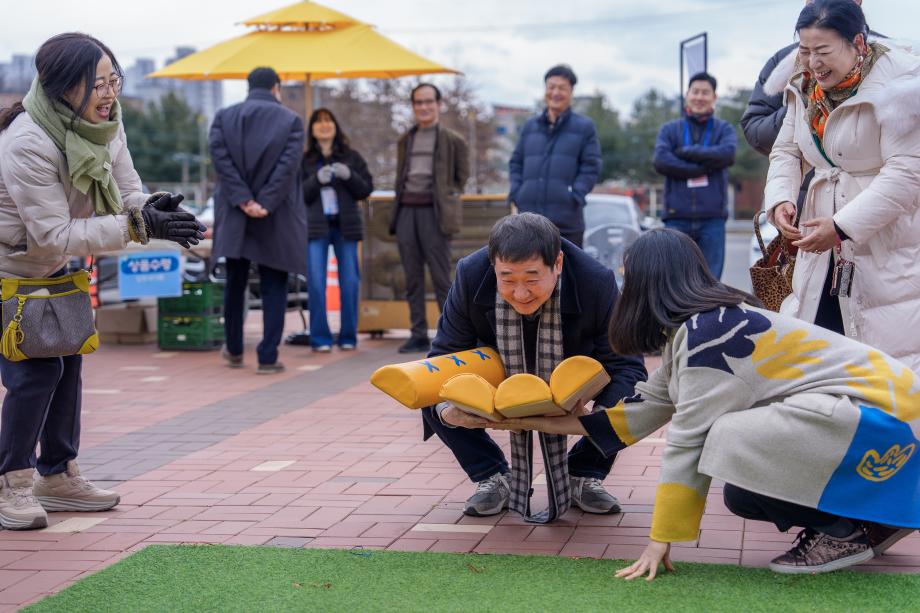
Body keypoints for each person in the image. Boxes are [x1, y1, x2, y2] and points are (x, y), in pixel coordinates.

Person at [499, 228, 918, 577]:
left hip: (887, 422)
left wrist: (659, 540)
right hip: (883, 422)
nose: (625, 289)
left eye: (630, 280)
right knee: (740, 490)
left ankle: (841, 532)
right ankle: (874, 523)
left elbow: (687, 439)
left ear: (648, 283)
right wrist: (524, 420)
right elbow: (636, 416)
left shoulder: (709, 335)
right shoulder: (705, 326)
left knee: (724, 439)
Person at [0, 33, 204, 530]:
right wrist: (138, 227)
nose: (109, 93)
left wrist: (152, 210)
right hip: (12, 269)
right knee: (35, 373)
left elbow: (127, 191)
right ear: (64, 87)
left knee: (67, 364)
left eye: (114, 80)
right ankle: (12, 482)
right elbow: (53, 231)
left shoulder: (106, 125)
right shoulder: (28, 141)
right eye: (98, 83)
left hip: (57, 267)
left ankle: (58, 476)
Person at [422, 213, 647, 518]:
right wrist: (451, 413)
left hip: (573, 371)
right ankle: (492, 474)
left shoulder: (596, 281)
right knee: (429, 388)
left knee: (629, 395)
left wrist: (596, 417)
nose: (521, 293)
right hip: (498, 366)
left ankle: (583, 471)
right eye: (507, 279)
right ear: (493, 265)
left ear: (558, 263)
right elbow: (443, 358)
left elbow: (627, 367)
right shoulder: (470, 274)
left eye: (532, 278)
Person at [763, 0, 920, 371]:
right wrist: (781, 199)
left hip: (885, 244)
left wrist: (842, 226)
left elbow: (907, 173)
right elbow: (786, 149)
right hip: (821, 245)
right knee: (819, 354)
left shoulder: (902, 82)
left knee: (888, 362)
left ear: (858, 43)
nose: (813, 63)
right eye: (804, 51)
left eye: (823, 52)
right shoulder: (803, 85)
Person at [209, 67, 306, 374]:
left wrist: (243, 199)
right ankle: (267, 357)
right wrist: (264, 202)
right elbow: (287, 167)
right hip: (275, 214)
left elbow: (221, 162)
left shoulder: (224, 117)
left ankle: (235, 350)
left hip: (236, 213)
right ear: (276, 87)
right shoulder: (291, 121)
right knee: (274, 284)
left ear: (248, 86)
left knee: (234, 283)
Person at [389, 83, 469, 354]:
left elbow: (462, 178)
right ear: (413, 107)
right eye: (418, 102)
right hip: (406, 213)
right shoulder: (405, 140)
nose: (423, 107)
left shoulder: (453, 139)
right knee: (411, 278)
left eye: (428, 102)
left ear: (438, 104)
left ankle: (451, 335)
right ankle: (417, 333)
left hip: (435, 215)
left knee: (441, 278)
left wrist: (446, 197)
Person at [301, 108, 373, 352]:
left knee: (350, 281)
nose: (324, 125)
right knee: (316, 282)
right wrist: (316, 180)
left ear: (335, 125)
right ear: (311, 129)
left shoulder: (351, 156)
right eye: (318, 122)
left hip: (346, 227)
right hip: (316, 227)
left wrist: (349, 175)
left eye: (328, 120)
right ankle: (320, 338)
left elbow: (365, 189)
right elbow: (296, 194)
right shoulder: (305, 159)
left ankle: (348, 336)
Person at [653, 72, 736, 279]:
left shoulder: (723, 129)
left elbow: (727, 154)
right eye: (695, 91)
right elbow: (661, 160)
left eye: (705, 92)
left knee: (710, 282)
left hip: (712, 219)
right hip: (676, 218)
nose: (699, 97)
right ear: (687, 95)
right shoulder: (670, 129)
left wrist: (687, 152)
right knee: (673, 281)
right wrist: (702, 168)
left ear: (714, 97)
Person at [508, 64, 602, 248]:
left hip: (566, 221)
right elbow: (516, 163)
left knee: (567, 274)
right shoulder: (530, 126)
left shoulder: (584, 127)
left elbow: (591, 166)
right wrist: (517, 193)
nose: (555, 92)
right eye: (551, 87)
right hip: (528, 221)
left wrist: (575, 194)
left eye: (562, 88)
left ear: (571, 92)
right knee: (530, 274)